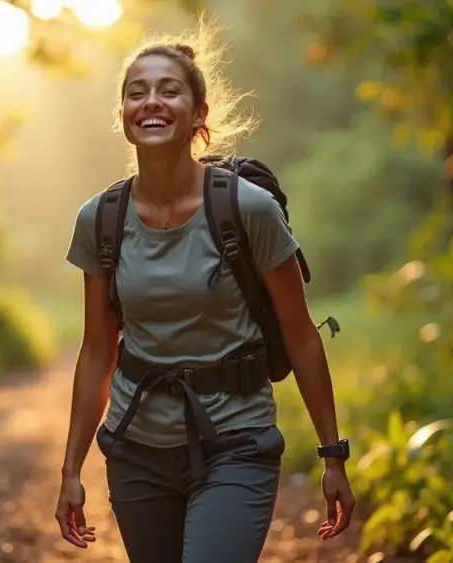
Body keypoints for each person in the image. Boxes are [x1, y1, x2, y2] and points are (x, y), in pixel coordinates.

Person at [53, 19, 355, 563]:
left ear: (199, 115)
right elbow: (98, 350)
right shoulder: (99, 220)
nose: (152, 101)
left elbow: (301, 336)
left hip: (236, 443)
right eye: (136, 91)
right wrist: (71, 470)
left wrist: (332, 456)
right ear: (122, 115)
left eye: (169, 90)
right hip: (136, 449)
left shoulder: (248, 210)